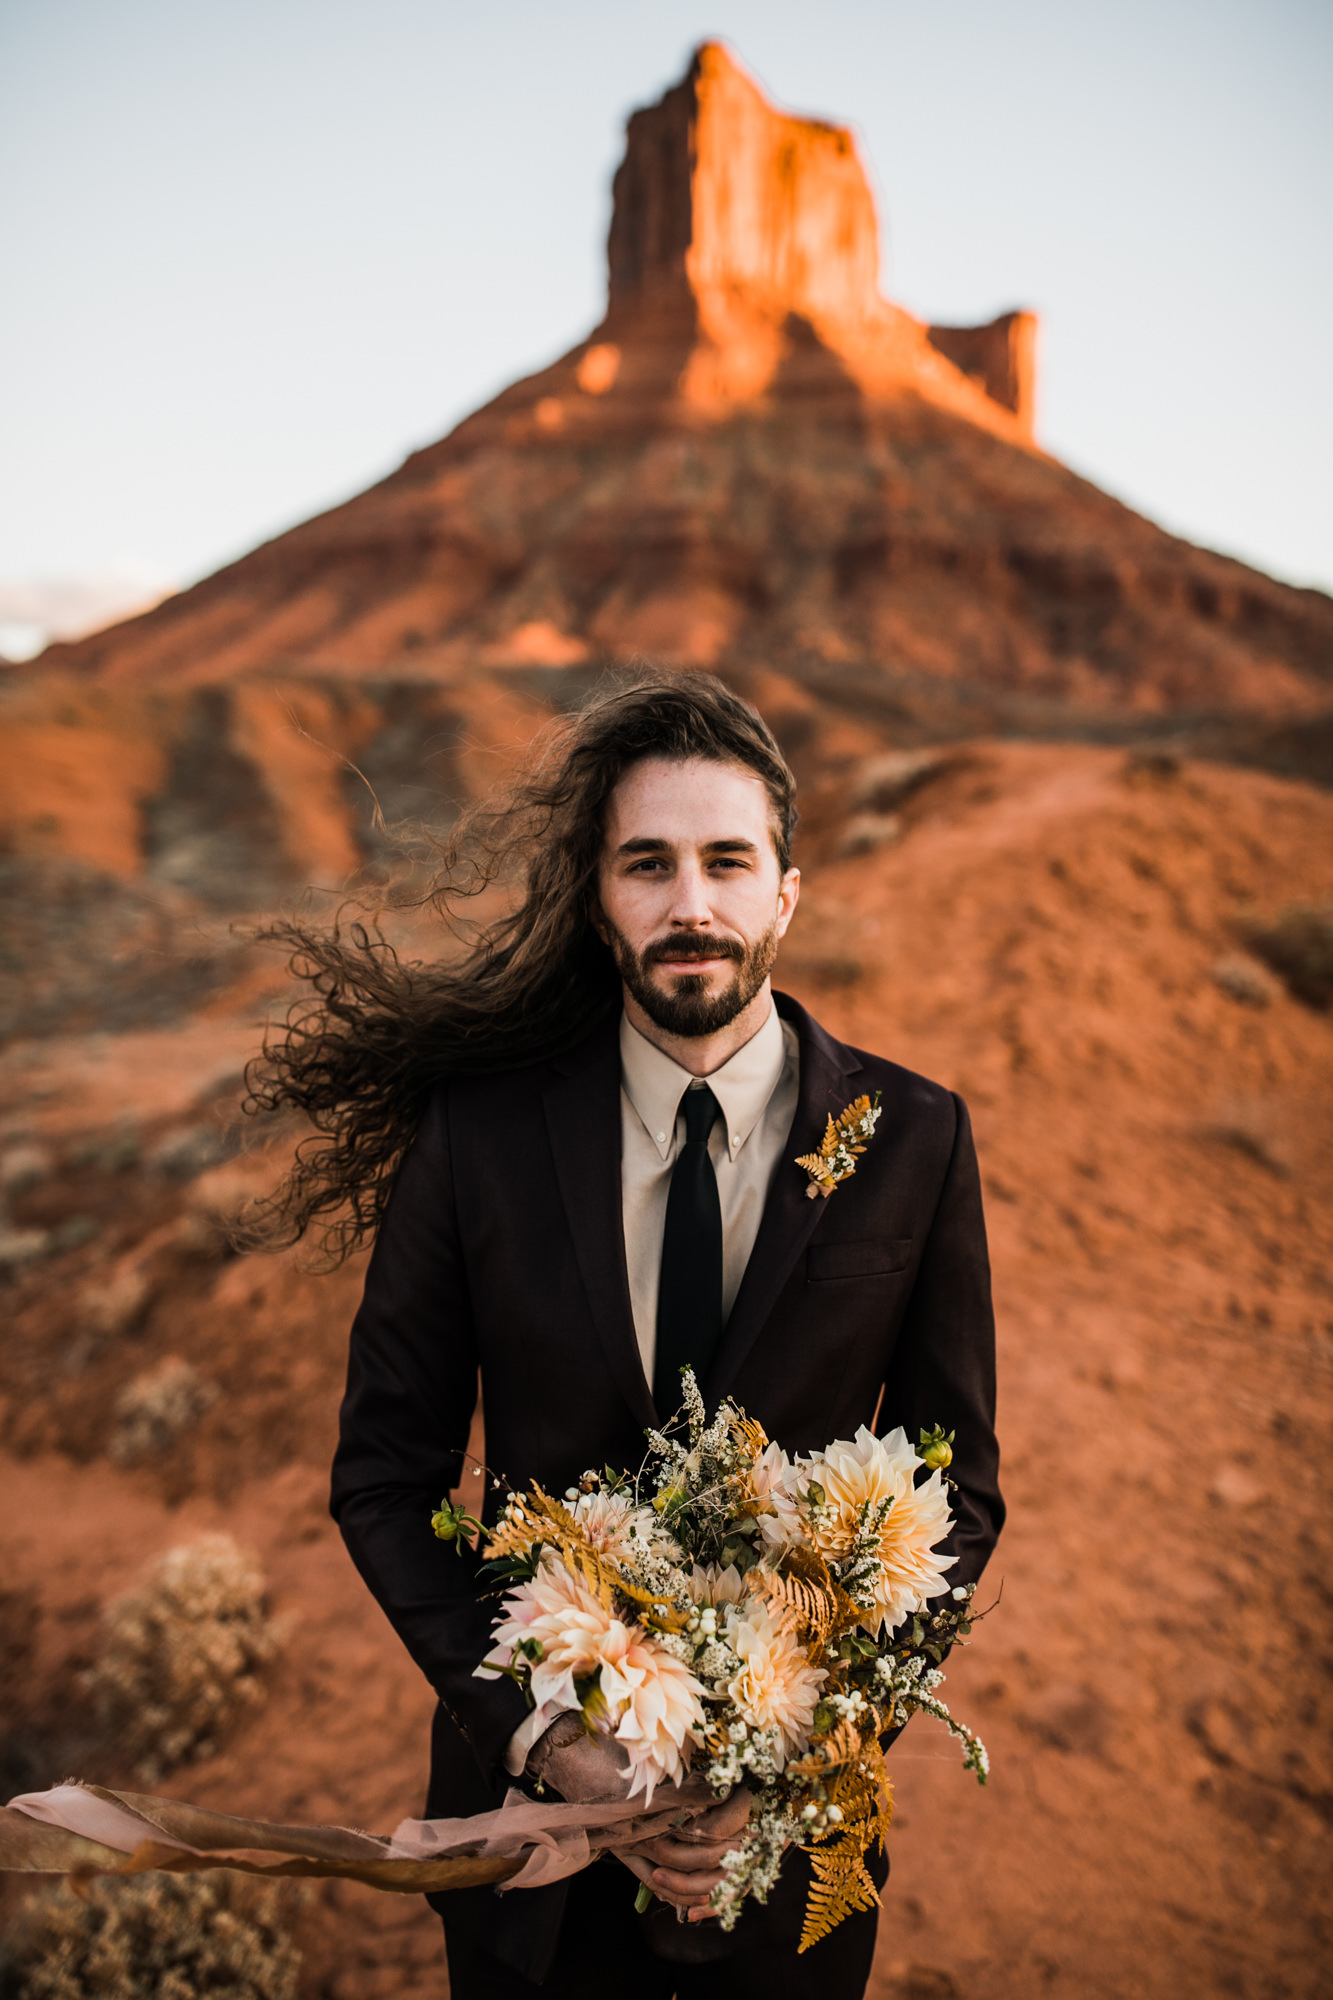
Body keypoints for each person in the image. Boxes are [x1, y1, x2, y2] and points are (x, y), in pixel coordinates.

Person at [248, 673, 1003, 1998]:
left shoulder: (915, 1138)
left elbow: (959, 1492)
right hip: (531, 1857)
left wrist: (799, 1745)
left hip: (786, 1850)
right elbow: (383, 1477)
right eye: (646, 865)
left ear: (786, 890)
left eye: (726, 862)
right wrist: (545, 1738)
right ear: (601, 898)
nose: (690, 905)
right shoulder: (475, 1139)